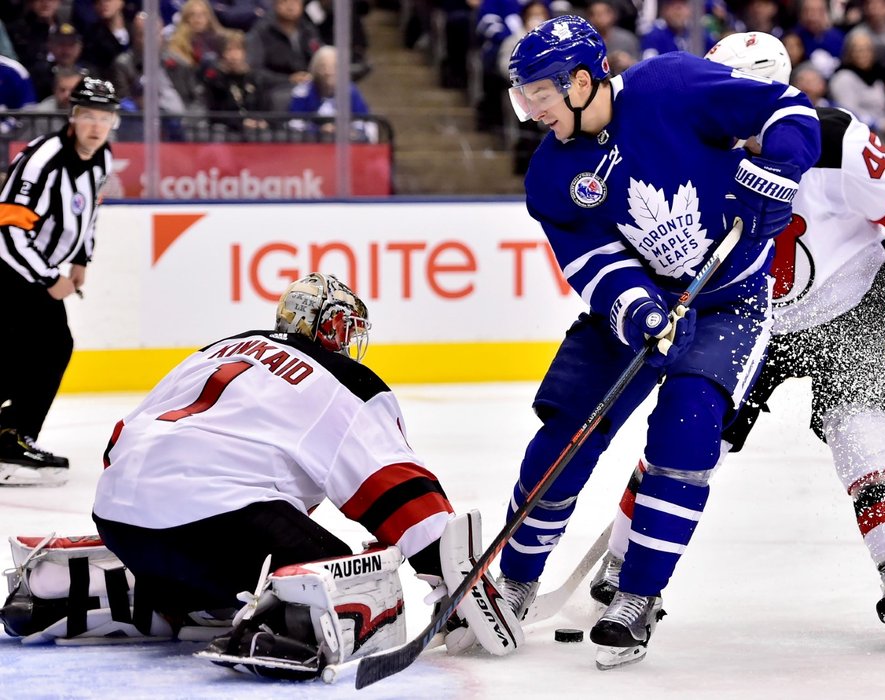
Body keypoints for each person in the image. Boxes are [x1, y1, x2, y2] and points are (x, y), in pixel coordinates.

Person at [590, 32, 885, 647]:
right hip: (743, 312)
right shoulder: (688, 144)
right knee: (689, 433)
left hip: (844, 306)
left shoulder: (836, 142)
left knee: (862, 428)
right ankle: (628, 565)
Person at [495, 17, 820, 669]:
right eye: (524, 97)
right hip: (642, 308)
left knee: (687, 429)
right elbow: (593, 262)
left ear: (581, 81)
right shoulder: (552, 174)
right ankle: (515, 582)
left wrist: (778, 169)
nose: (531, 112)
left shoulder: (671, 84)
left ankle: (637, 597)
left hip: (729, 299)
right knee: (567, 431)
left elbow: (787, 109)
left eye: (539, 95)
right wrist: (637, 309)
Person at [87, 273, 521, 678]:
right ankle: (279, 628)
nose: (351, 341)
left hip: (117, 519)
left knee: (218, 546)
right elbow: (394, 486)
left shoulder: (220, 348)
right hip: (216, 521)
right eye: (348, 328)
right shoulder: (342, 378)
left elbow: (120, 442)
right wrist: (460, 582)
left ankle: (154, 596)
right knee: (347, 575)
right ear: (332, 326)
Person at [0, 76, 117, 487]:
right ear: (73, 116)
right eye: (89, 116)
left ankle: (11, 435)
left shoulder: (102, 158)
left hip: (37, 274)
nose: (97, 126)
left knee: (36, 352)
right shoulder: (41, 159)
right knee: (46, 349)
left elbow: (91, 212)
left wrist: (82, 257)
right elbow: (8, 227)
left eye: (105, 117)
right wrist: (50, 278)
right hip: (11, 271)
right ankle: (12, 436)